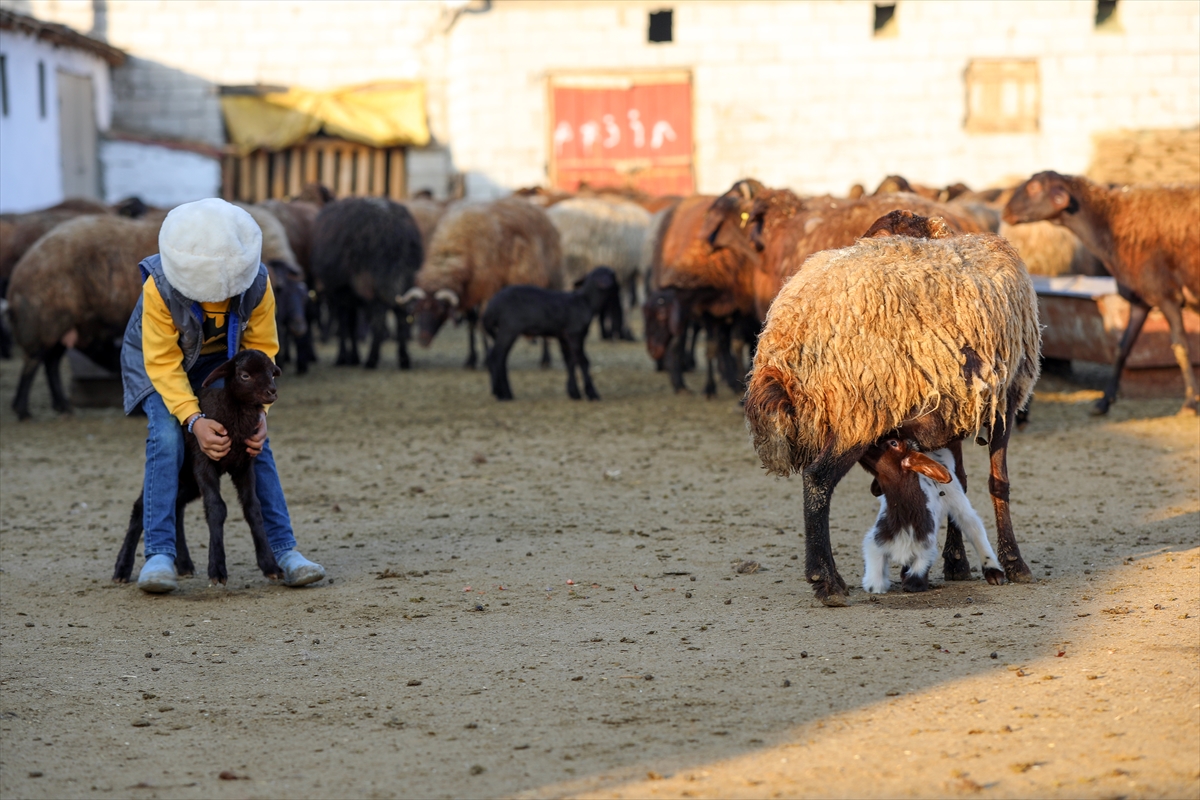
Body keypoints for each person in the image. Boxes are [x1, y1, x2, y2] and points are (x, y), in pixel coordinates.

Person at [120, 198, 324, 593]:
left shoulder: (258, 284)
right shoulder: (159, 288)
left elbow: (263, 350)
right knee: (165, 436)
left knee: (254, 443)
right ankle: (159, 554)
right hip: (158, 361)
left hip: (226, 364)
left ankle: (285, 550)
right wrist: (194, 420)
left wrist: (260, 412)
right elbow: (162, 363)